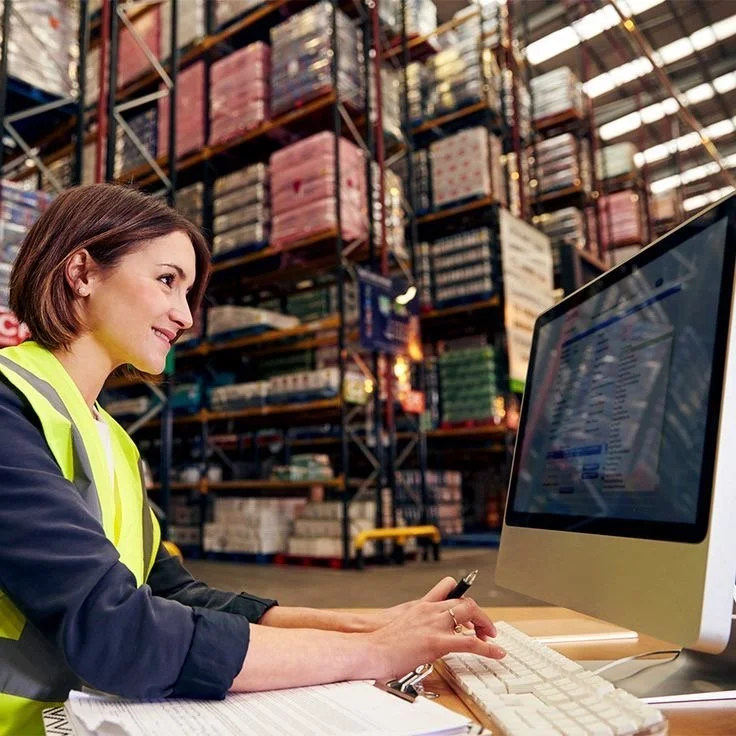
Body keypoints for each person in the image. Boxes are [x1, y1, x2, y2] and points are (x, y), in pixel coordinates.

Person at [0, 184, 505, 735]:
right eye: (167, 281)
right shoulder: (8, 409)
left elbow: (172, 594)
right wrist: (375, 654)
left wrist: (369, 625)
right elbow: (118, 631)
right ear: (82, 273)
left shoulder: (108, 437)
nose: (185, 317)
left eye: (188, 292)